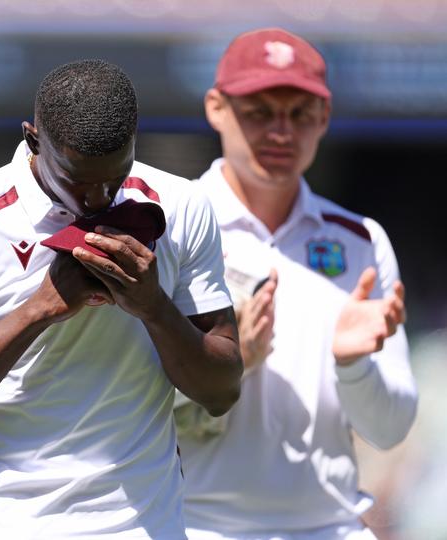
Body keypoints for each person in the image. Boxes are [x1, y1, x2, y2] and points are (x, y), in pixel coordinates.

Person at [0, 59, 243, 539]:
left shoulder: (181, 207)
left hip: (147, 524)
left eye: (114, 177)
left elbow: (221, 391)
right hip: (10, 522)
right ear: (34, 140)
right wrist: (38, 311)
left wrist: (153, 307)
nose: (98, 198)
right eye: (78, 179)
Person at [176, 28, 418, 540]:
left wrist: (353, 366)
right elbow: (121, 402)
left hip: (332, 527)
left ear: (324, 119)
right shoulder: (169, 228)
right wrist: (221, 366)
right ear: (216, 107)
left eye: (300, 113)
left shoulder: (361, 242)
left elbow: (390, 428)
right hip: (192, 526)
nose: (281, 132)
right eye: (260, 112)